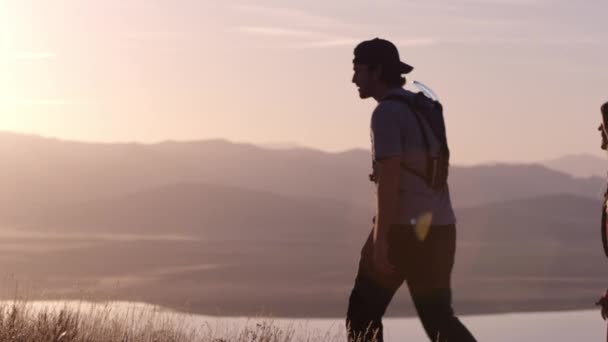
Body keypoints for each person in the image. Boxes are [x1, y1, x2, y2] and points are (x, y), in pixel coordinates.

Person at [345, 38, 476, 342]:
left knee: (362, 315)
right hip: (441, 228)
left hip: (402, 231)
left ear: (377, 71)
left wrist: (381, 241)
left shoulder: (386, 114)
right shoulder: (425, 107)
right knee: (439, 318)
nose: (353, 79)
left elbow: (389, 180)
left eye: (358, 70)